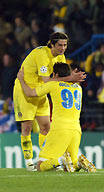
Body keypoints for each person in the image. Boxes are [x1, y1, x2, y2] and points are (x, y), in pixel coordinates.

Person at [13, 32, 85, 171]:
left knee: (46, 127)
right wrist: (70, 78)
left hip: (41, 91)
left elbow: (61, 76)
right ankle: (29, 163)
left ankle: (47, 160)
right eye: (60, 45)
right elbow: (48, 80)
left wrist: (71, 78)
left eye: (65, 45)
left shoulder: (61, 57)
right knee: (27, 127)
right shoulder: (42, 54)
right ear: (51, 44)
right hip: (25, 90)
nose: (63, 48)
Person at [17, 63, 95, 173]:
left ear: (55, 74)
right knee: (70, 168)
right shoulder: (78, 87)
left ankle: (61, 160)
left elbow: (29, 93)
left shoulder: (53, 84)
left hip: (60, 128)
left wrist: (21, 79)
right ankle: (78, 162)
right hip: (76, 130)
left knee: (41, 166)